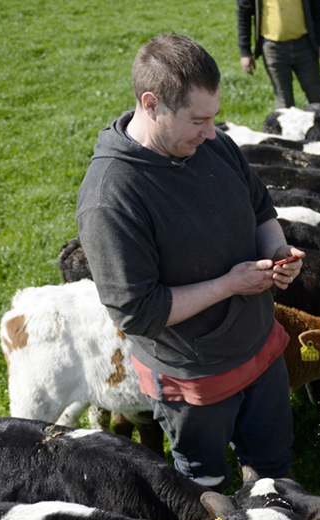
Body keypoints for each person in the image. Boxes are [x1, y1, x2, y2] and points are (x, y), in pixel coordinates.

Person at [76, 32, 304, 487]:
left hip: (260, 349)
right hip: (195, 380)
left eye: (214, 117)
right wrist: (230, 284)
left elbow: (261, 211)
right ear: (151, 104)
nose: (212, 132)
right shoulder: (111, 197)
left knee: (275, 469)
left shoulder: (211, 146)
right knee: (206, 486)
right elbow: (139, 313)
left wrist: (275, 250)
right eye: (198, 120)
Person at [236, 0, 320, 109]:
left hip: (305, 45)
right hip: (273, 49)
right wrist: (245, 51)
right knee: (284, 103)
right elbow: (244, 13)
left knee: (317, 97)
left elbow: (318, 9)